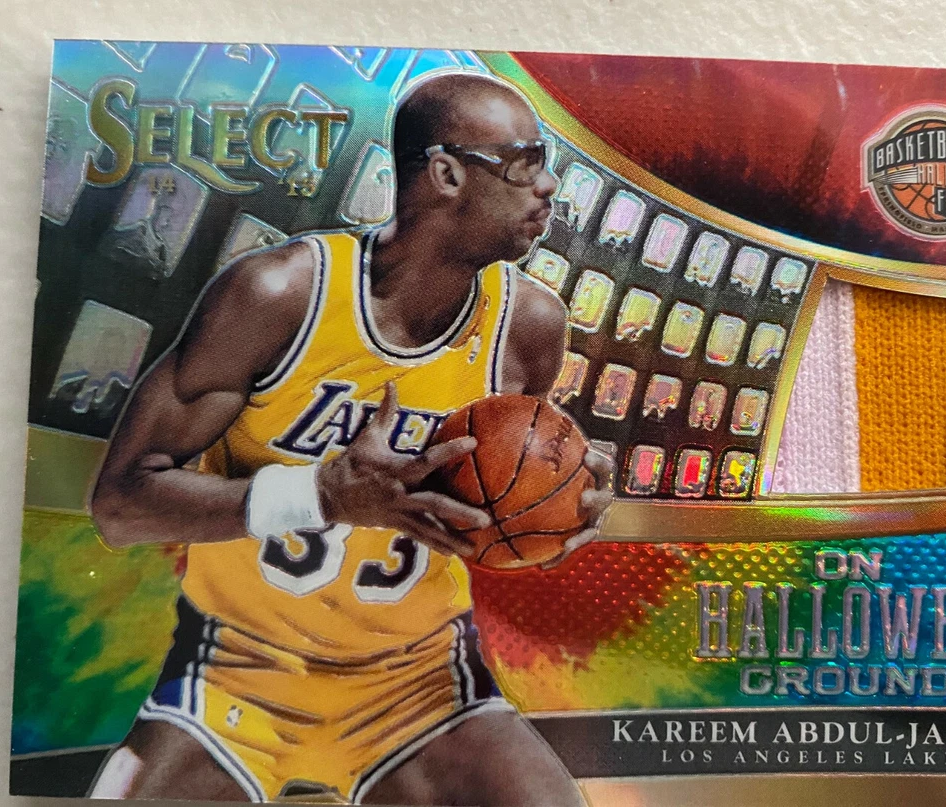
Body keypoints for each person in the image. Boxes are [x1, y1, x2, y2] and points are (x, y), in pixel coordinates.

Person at [87, 71, 614, 805]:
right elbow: (121, 505)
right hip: (237, 669)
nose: (549, 186)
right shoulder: (279, 295)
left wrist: (560, 513)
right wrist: (322, 496)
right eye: (524, 164)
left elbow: (493, 509)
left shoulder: (528, 326)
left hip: (417, 680)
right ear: (446, 174)